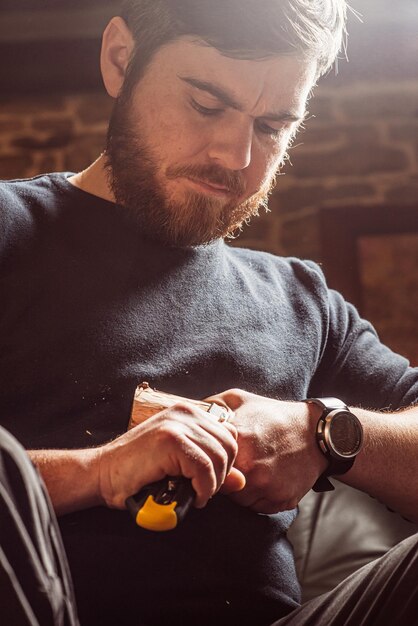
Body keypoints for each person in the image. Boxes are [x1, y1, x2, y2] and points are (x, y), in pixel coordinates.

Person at [1, 1, 417, 624]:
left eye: (273, 126)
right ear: (122, 59)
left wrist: (324, 435)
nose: (237, 156)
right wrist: (101, 470)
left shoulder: (303, 299)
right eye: (206, 104)